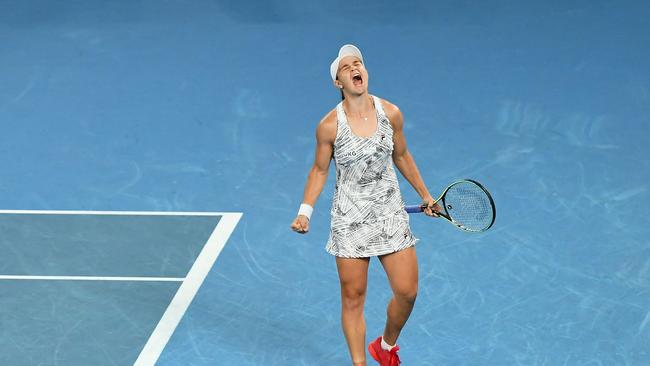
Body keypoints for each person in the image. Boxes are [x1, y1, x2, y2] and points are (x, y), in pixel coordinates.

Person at [290, 44, 440, 366]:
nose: (355, 68)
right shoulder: (329, 126)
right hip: (350, 220)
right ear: (338, 82)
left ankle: (385, 347)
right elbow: (319, 170)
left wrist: (426, 195)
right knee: (353, 298)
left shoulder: (391, 113)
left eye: (359, 63)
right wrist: (305, 211)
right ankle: (359, 363)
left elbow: (401, 155)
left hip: (389, 214)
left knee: (407, 292)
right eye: (347, 67)